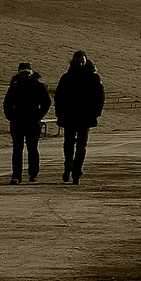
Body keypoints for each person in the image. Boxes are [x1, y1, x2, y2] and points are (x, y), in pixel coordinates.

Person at [54, 50, 105, 185]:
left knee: (81, 147)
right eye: (78, 62)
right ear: (74, 62)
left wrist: (96, 113)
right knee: (68, 145)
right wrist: (59, 114)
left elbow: (100, 97)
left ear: (86, 61)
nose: (80, 64)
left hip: (85, 117)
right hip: (69, 117)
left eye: (82, 61)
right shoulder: (66, 77)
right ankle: (67, 168)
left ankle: (76, 172)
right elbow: (59, 97)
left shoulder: (94, 78)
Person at [2, 62, 51, 184]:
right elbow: (7, 104)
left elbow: (47, 102)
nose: (25, 76)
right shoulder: (14, 87)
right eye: (22, 73)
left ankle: (33, 173)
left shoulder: (39, 86)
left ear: (31, 72)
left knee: (32, 148)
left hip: (33, 122)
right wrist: (10, 117)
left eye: (27, 73)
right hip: (17, 122)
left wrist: (39, 116)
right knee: (17, 149)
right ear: (19, 74)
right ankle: (16, 176)